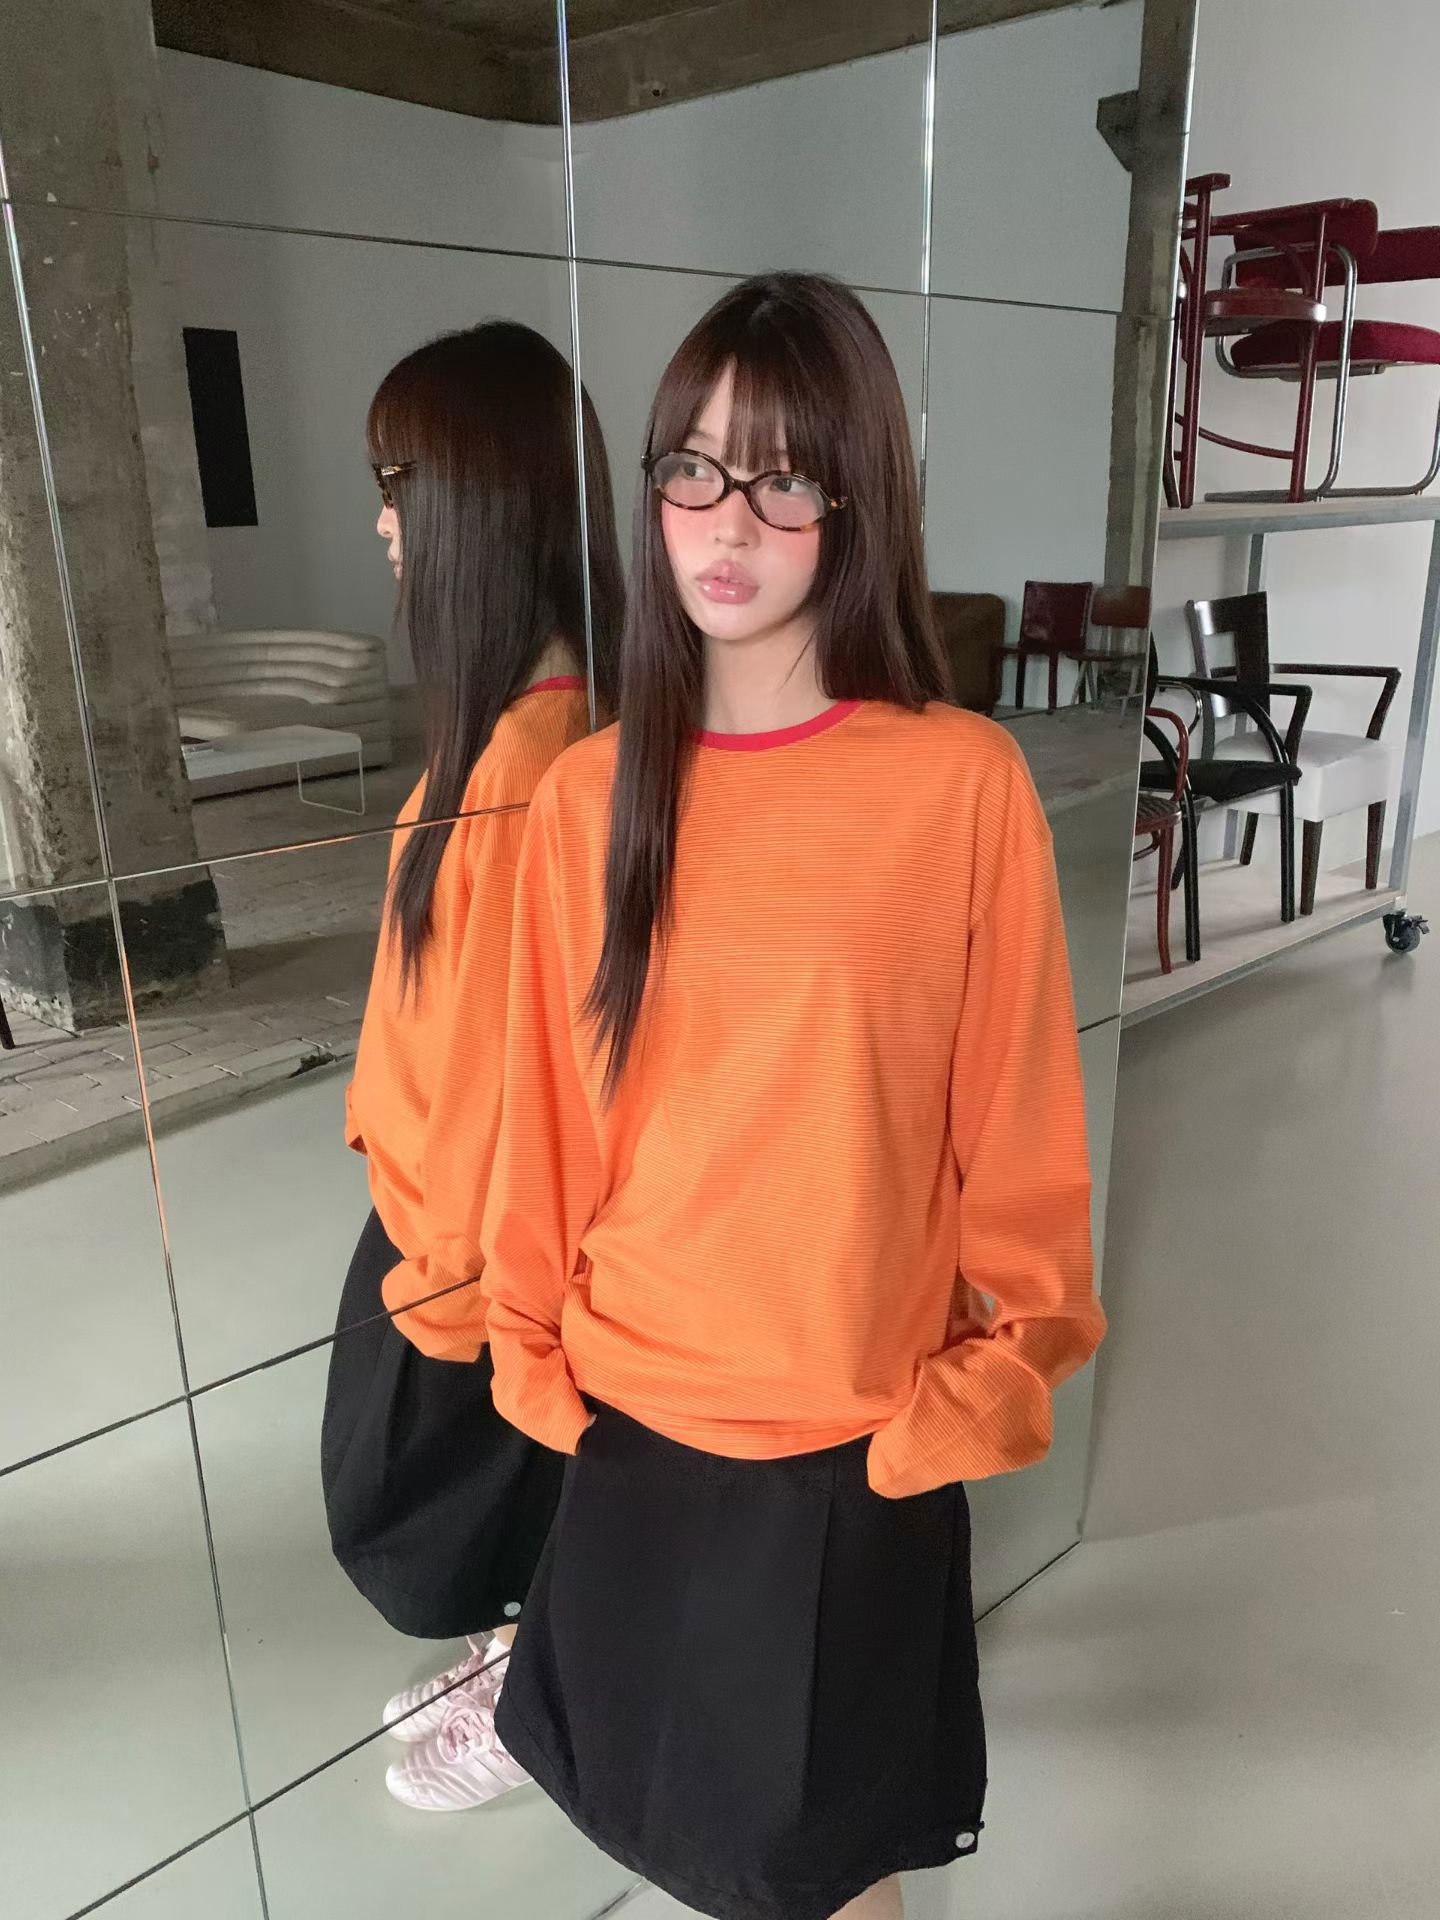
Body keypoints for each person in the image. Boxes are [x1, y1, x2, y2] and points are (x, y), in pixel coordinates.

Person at [475, 272, 1107, 1920]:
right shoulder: (588, 799)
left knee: (824, 1876)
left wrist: (984, 1382)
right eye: (692, 467)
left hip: (846, 1439)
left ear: (857, 497)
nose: (726, 519)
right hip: (633, 1428)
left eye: (781, 475)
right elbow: (544, 1125)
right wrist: (535, 1362)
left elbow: (1020, 1131)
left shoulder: (957, 787)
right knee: (678, 1841)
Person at [319, 319, 622, 1813]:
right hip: (454, 1213)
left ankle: (542, 1691)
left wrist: (444, 1289)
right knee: (490, 1498)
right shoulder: (546, 729)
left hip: (468, 1240)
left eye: (397, 484)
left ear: (477, 505)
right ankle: (527, 1652)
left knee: (438, 1500)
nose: (381, 521)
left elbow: (507, 1079)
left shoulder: (522, 771)